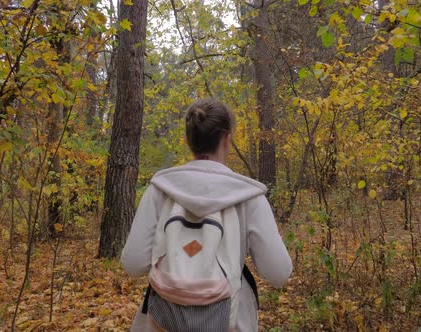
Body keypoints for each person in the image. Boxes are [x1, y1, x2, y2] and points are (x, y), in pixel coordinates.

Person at [120, 98, 292, 331]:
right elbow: (278, 273)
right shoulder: (249, 196)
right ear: (227, 140)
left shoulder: (160, 189)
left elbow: (132, 264)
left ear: (189, 141)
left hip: (163, 322)